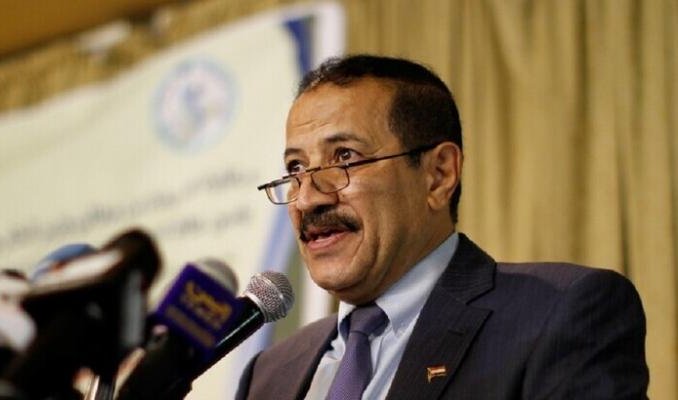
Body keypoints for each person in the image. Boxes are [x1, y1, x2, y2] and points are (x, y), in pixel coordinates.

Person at [236, 55, 648, 399]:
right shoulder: (270, 373)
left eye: (344, 157)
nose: (307, 198)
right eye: (295, 168)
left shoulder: (557, 315)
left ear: (438, 175)